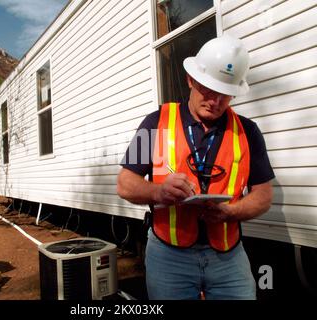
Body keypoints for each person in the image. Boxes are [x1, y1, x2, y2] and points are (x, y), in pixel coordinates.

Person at [117, 35, 275, 300]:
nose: (215, 101)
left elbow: (263, 195)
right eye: (208, 90)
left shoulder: (249, 131)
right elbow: (125, 183)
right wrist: (158, 192)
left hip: (229, 256)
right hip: (169, 256)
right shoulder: (154, 123)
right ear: (190, 80)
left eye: (225, 94)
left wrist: (230, 212)